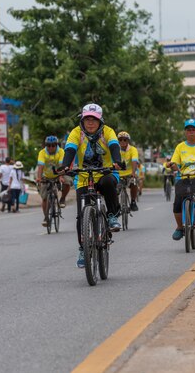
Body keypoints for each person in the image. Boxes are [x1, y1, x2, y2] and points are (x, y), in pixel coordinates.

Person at [58, 103, 123, 268]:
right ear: (82, 120)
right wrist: (66, 165)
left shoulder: (107, 131)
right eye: (87, 119)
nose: (90, 122)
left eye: (94, 119)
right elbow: (70, 149)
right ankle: (83, 248)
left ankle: (112, 215)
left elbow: (115, 145)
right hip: (83, 177)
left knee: (108, 182)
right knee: (81, 215)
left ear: (100, 120)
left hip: (106, 172)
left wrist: (116, 161)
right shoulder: (76, 133)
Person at [166, 118, 195, 241]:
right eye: (188, 130)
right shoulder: (180, 147)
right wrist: (172, 165)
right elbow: (175, 162)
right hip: (184, 177)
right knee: (177, 202)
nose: (191, 132)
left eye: (194, 130)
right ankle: (179, 227)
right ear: (185, 132)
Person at [36, 136, 70, 226]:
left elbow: (61, 165)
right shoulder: (42, 153)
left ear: (56, 145)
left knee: (67, 181)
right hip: (46, 176)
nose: (51, 147)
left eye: (53, 145)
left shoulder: (61, 151)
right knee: (44, 198)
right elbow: (40, 167)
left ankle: (62, 199)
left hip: (59, 174)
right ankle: (46, 217)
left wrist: (61, 176)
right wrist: (39, 179)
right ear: (46, 145)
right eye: (48, 145)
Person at [117, 131, 139, 212]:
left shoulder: (133, 149)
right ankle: (116, 205)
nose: (122, 141)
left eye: (125, 140)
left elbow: (134, 161)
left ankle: (133, 201)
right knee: (113, 188)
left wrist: (133, 173)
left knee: (134, 182)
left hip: (130, 174)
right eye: (120, 140)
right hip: (117, 174)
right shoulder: (115, 149)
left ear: (128, 141)